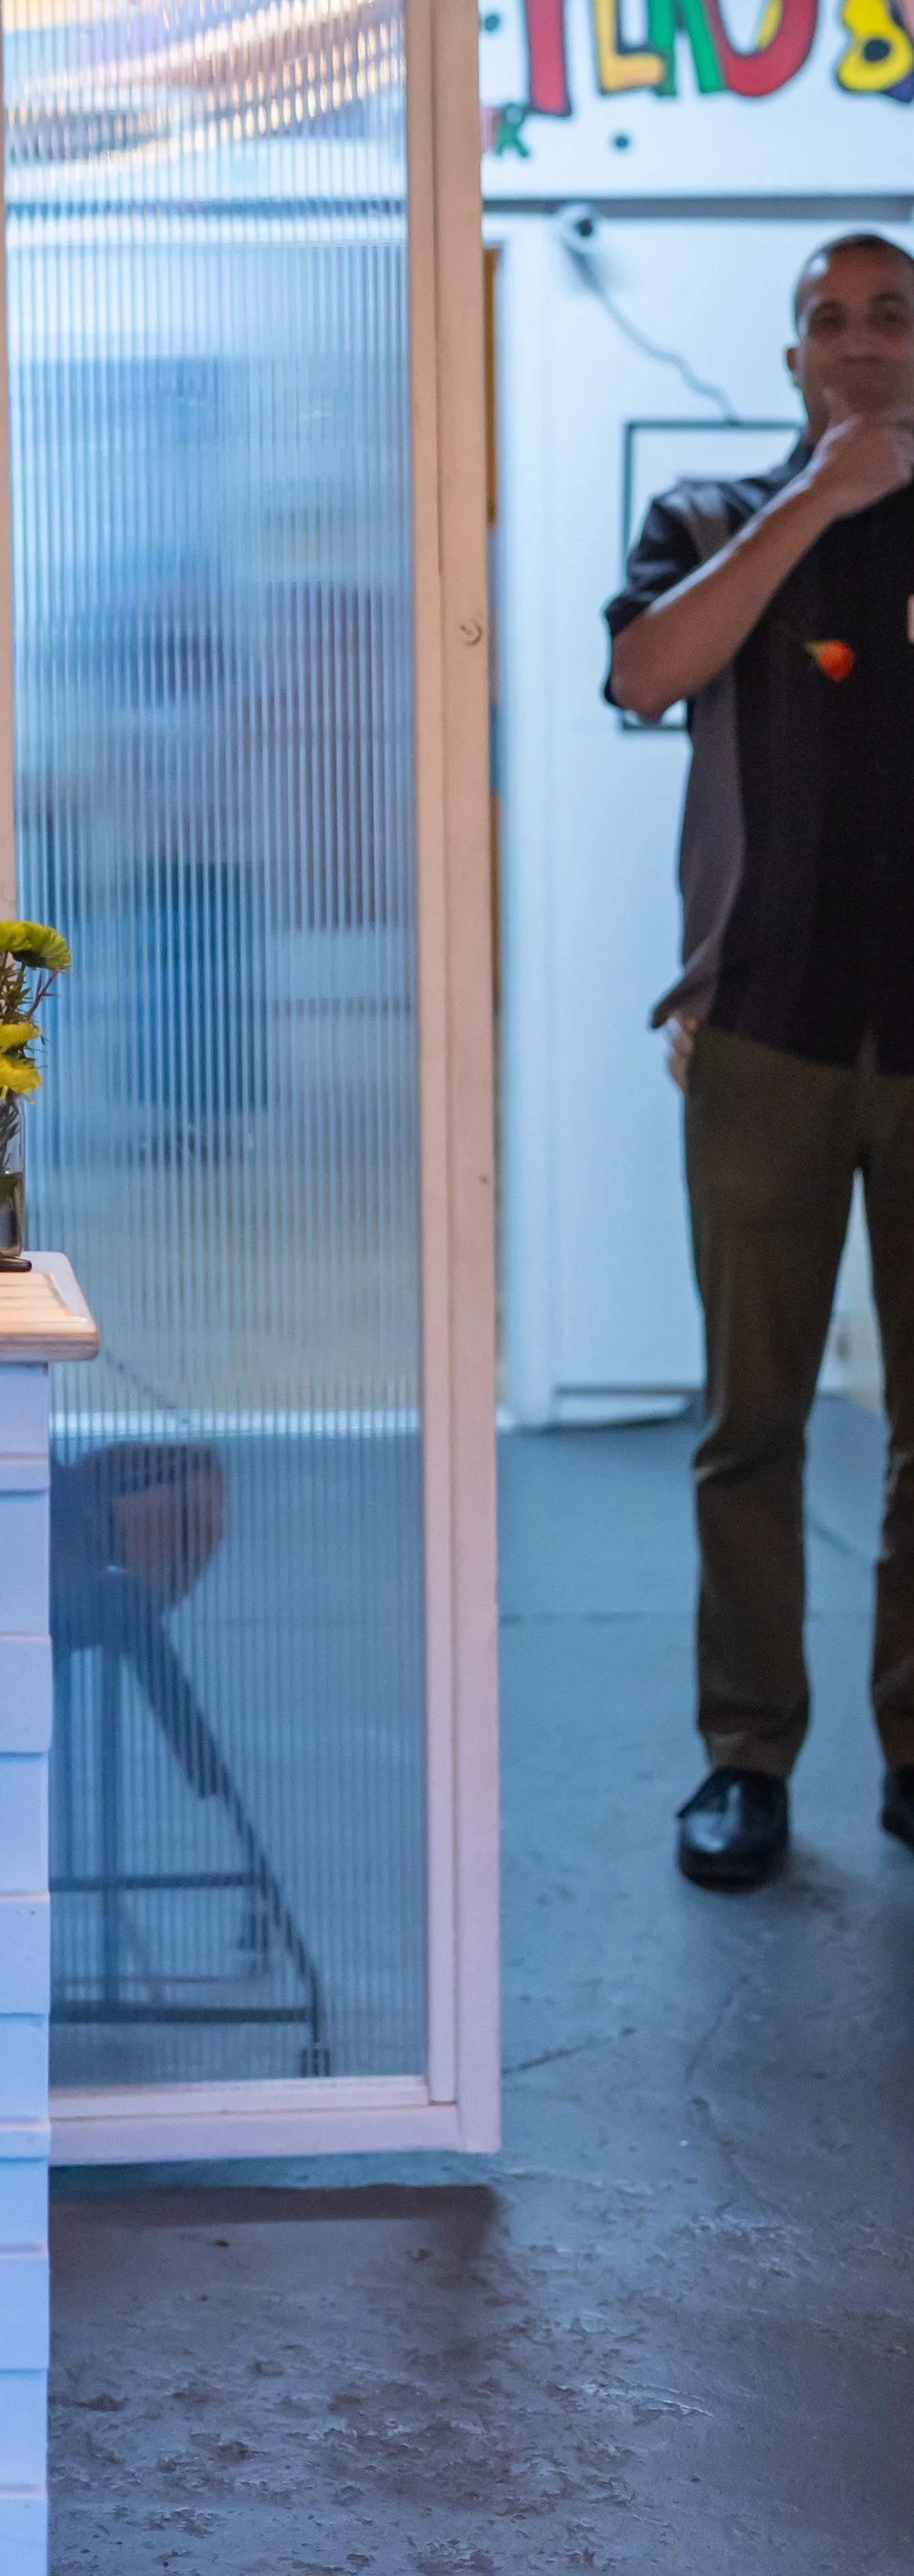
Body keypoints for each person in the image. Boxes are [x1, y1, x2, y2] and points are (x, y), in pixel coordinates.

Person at [607, 230, 914, 1892]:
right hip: (763, 1039)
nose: (859, 340)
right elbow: (646, 670)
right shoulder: (715, 518)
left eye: (888, 316)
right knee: (754, 1420)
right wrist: (825, 497)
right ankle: (748, 1757)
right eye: (829, 320)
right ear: (791, 356)